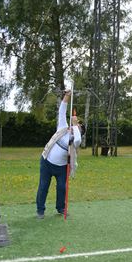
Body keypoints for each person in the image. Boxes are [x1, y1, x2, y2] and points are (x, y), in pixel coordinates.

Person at [36, 90, 82, 219]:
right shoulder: (63, 127)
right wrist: (67, 96)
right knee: (43, 186)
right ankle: (40, 210)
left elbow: (77, 140)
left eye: (78, 126)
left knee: (62, 187)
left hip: (62, 167)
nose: (75, 125)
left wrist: (75, 125)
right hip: (47, 162)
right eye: (76, 124)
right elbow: (62, 111)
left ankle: (60, 208)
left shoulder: (75, 138)